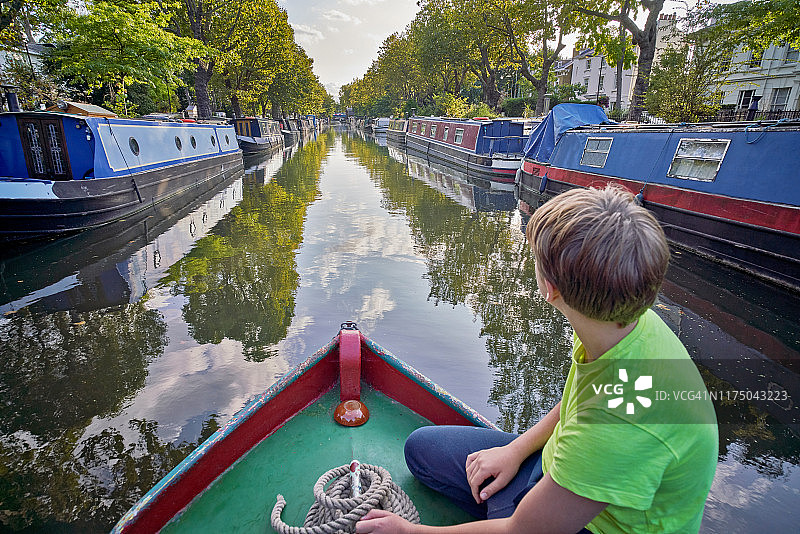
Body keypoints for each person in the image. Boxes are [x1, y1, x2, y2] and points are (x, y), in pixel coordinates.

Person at [356, 185, 718, 534]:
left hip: (600, 524)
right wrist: (513, 450)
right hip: (564, 464)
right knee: (422, 450)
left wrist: (409, 531)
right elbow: (581, 398)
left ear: (550, 289)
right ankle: (504, 500)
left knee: (509, 515)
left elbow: (522, 529)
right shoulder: (618, 317)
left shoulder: (619, 424)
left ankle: (502, 505)